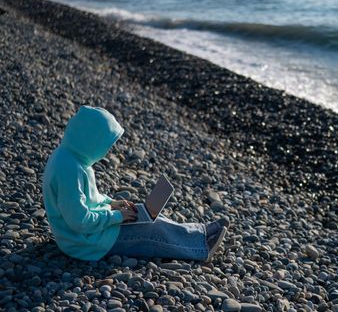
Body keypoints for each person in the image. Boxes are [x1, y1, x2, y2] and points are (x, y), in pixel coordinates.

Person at [42, 105, 229, 262]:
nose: (107, 152)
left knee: (147, 216)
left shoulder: (72, 157)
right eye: (105, 145)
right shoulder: (70, 170)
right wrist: (118, 217)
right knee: (150, 231)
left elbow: (89, 200)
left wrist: (111, 204)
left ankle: (200, 231)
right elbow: (80, 222)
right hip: (84, 242)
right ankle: (200, 248)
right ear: (91, 140)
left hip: (90, 233)